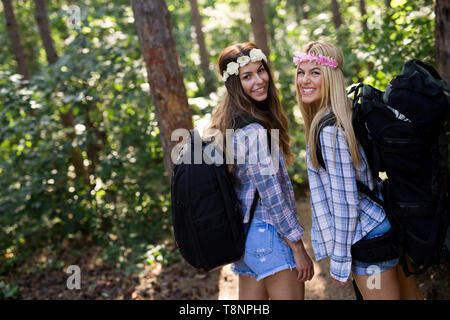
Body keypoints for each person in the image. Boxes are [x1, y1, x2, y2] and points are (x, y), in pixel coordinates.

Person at [294, 40, 423, 300]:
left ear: (330, 77)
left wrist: (339, 260)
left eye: (315, 72)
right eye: (301, 72)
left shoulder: (329, 130)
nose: (305, 80)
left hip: (369, 239)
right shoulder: (346, 112)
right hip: (382, 223)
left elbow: (345, 202)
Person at [204, 42, 314, 300]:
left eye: (261, 71)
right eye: (247, 76)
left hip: (246, 240)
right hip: (269, 236)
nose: (259, 81)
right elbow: (272, 195)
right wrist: (297, 246)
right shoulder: (253, 132)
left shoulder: (228, 123)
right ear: (233, 83)